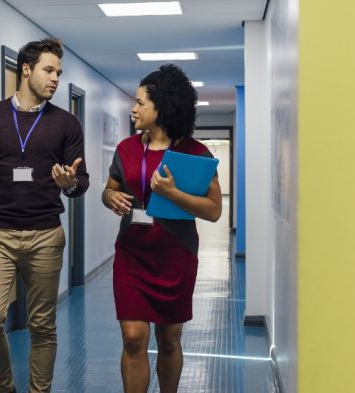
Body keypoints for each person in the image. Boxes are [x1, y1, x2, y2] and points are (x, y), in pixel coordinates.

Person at [0, 37, 88, 393]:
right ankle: (4, 388)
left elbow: (81, 183)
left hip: (46, 234)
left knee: (43, 326)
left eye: (59, 72)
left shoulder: (66, 124)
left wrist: (70, 183)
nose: (55, 78)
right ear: (26, 70)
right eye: (48, 69)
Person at [101, 64, 222, 393]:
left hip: (175, 256)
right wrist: (110, 196)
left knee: (168, 340)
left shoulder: (196, 154)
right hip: (132, 254)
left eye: (140, 102)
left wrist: (173, 194)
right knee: (133, 337)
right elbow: (109, 188)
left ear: (163, 107)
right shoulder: (127, 149)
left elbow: (213, 211)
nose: (133, 108)